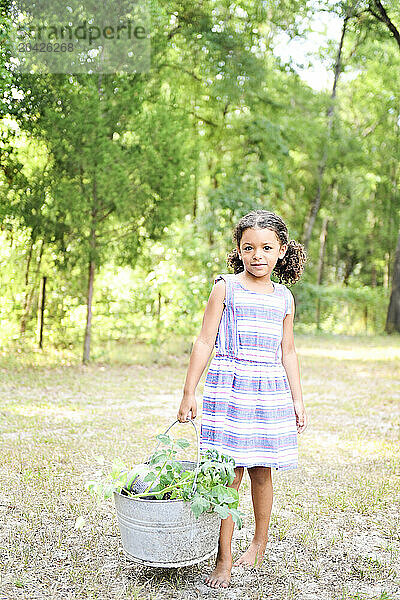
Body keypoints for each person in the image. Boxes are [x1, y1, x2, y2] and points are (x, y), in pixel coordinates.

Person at [177, 209, 308, 589]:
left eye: (267, 247)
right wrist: (189, 391)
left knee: (261, 472)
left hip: (268, 392)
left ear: (281, 251)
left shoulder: (284, 298)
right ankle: (224, 557)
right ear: (238, 249)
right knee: (228, 474)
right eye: (249, 247)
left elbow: (288, 353)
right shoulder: (225, 288)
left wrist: (298, 400)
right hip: (230, 388)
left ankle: (259, 543)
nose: (258, 255)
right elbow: (204, 340)